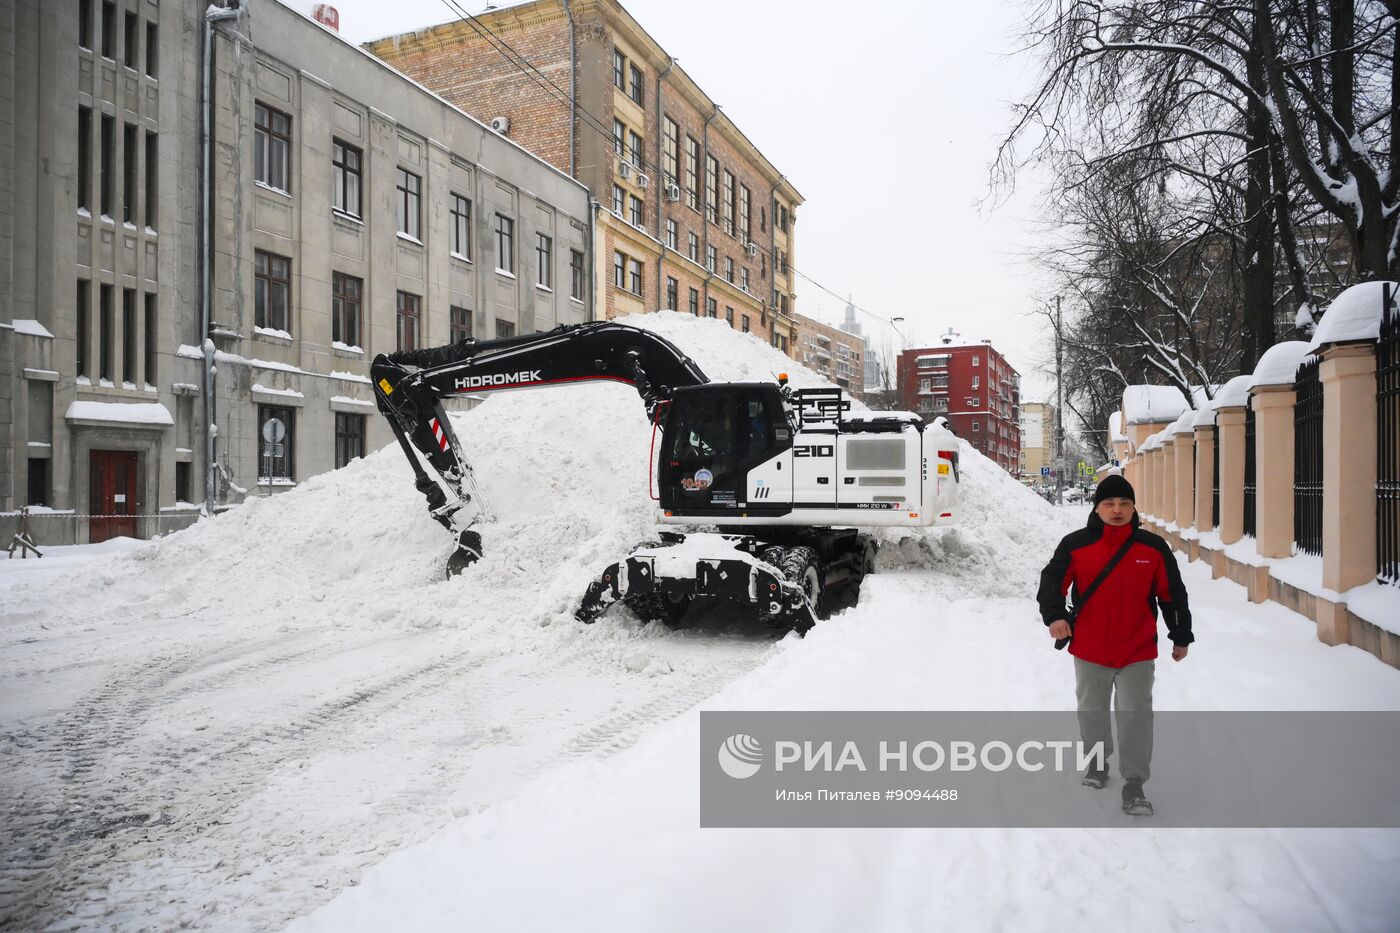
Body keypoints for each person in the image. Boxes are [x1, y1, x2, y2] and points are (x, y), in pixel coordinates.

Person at [1036, 473, 1193, 816]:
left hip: (1136, 649)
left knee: (1136, 715)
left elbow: (1172, 594)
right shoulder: (1075, 544)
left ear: (1134, 507)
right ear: (1097, 507)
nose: (1117, 509)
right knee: (1092, 713)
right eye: (1109, 503)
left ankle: (1134, 783)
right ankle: (1096, 764)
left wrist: (1180, 634)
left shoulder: (1152, 548)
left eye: (1124, 503)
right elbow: (1051, 583)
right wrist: (1055, 616)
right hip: (1090, 648)